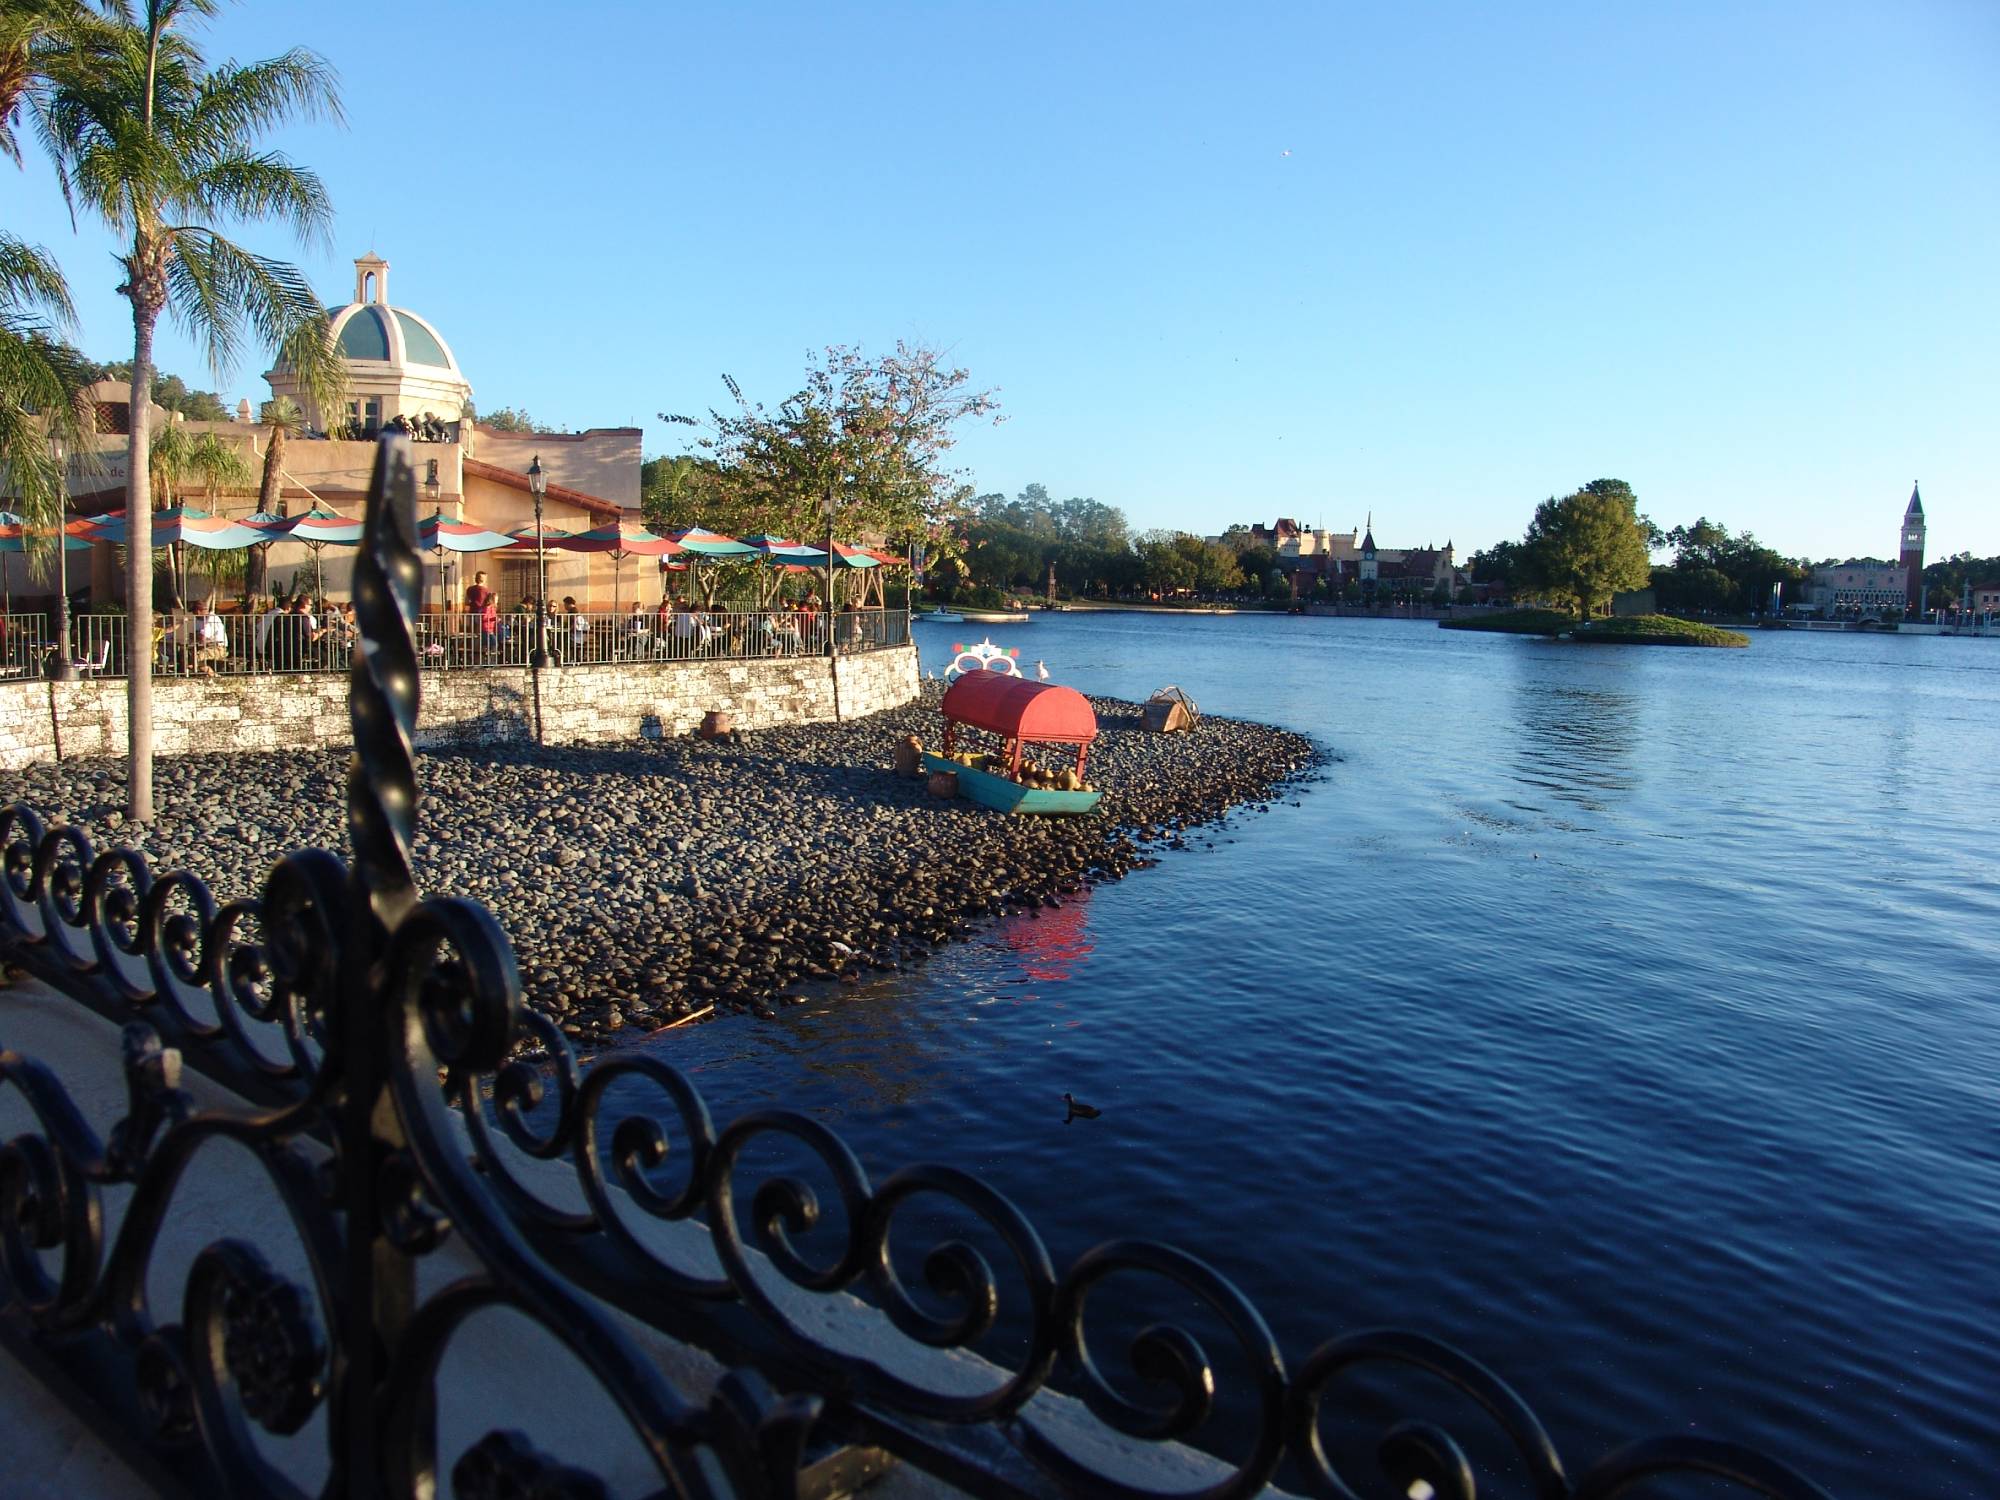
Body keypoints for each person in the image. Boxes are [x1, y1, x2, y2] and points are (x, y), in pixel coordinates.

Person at [190, 597, 228, 676]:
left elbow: (202, 637)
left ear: (198, 611)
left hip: (218, 649)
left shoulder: (210, 619)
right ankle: (210, 673)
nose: (193, 615)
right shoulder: (203, 620)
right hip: (210, 647)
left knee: (195, 657)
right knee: (190, 656)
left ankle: (213, 675)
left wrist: (197, 636)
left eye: (194, 612)